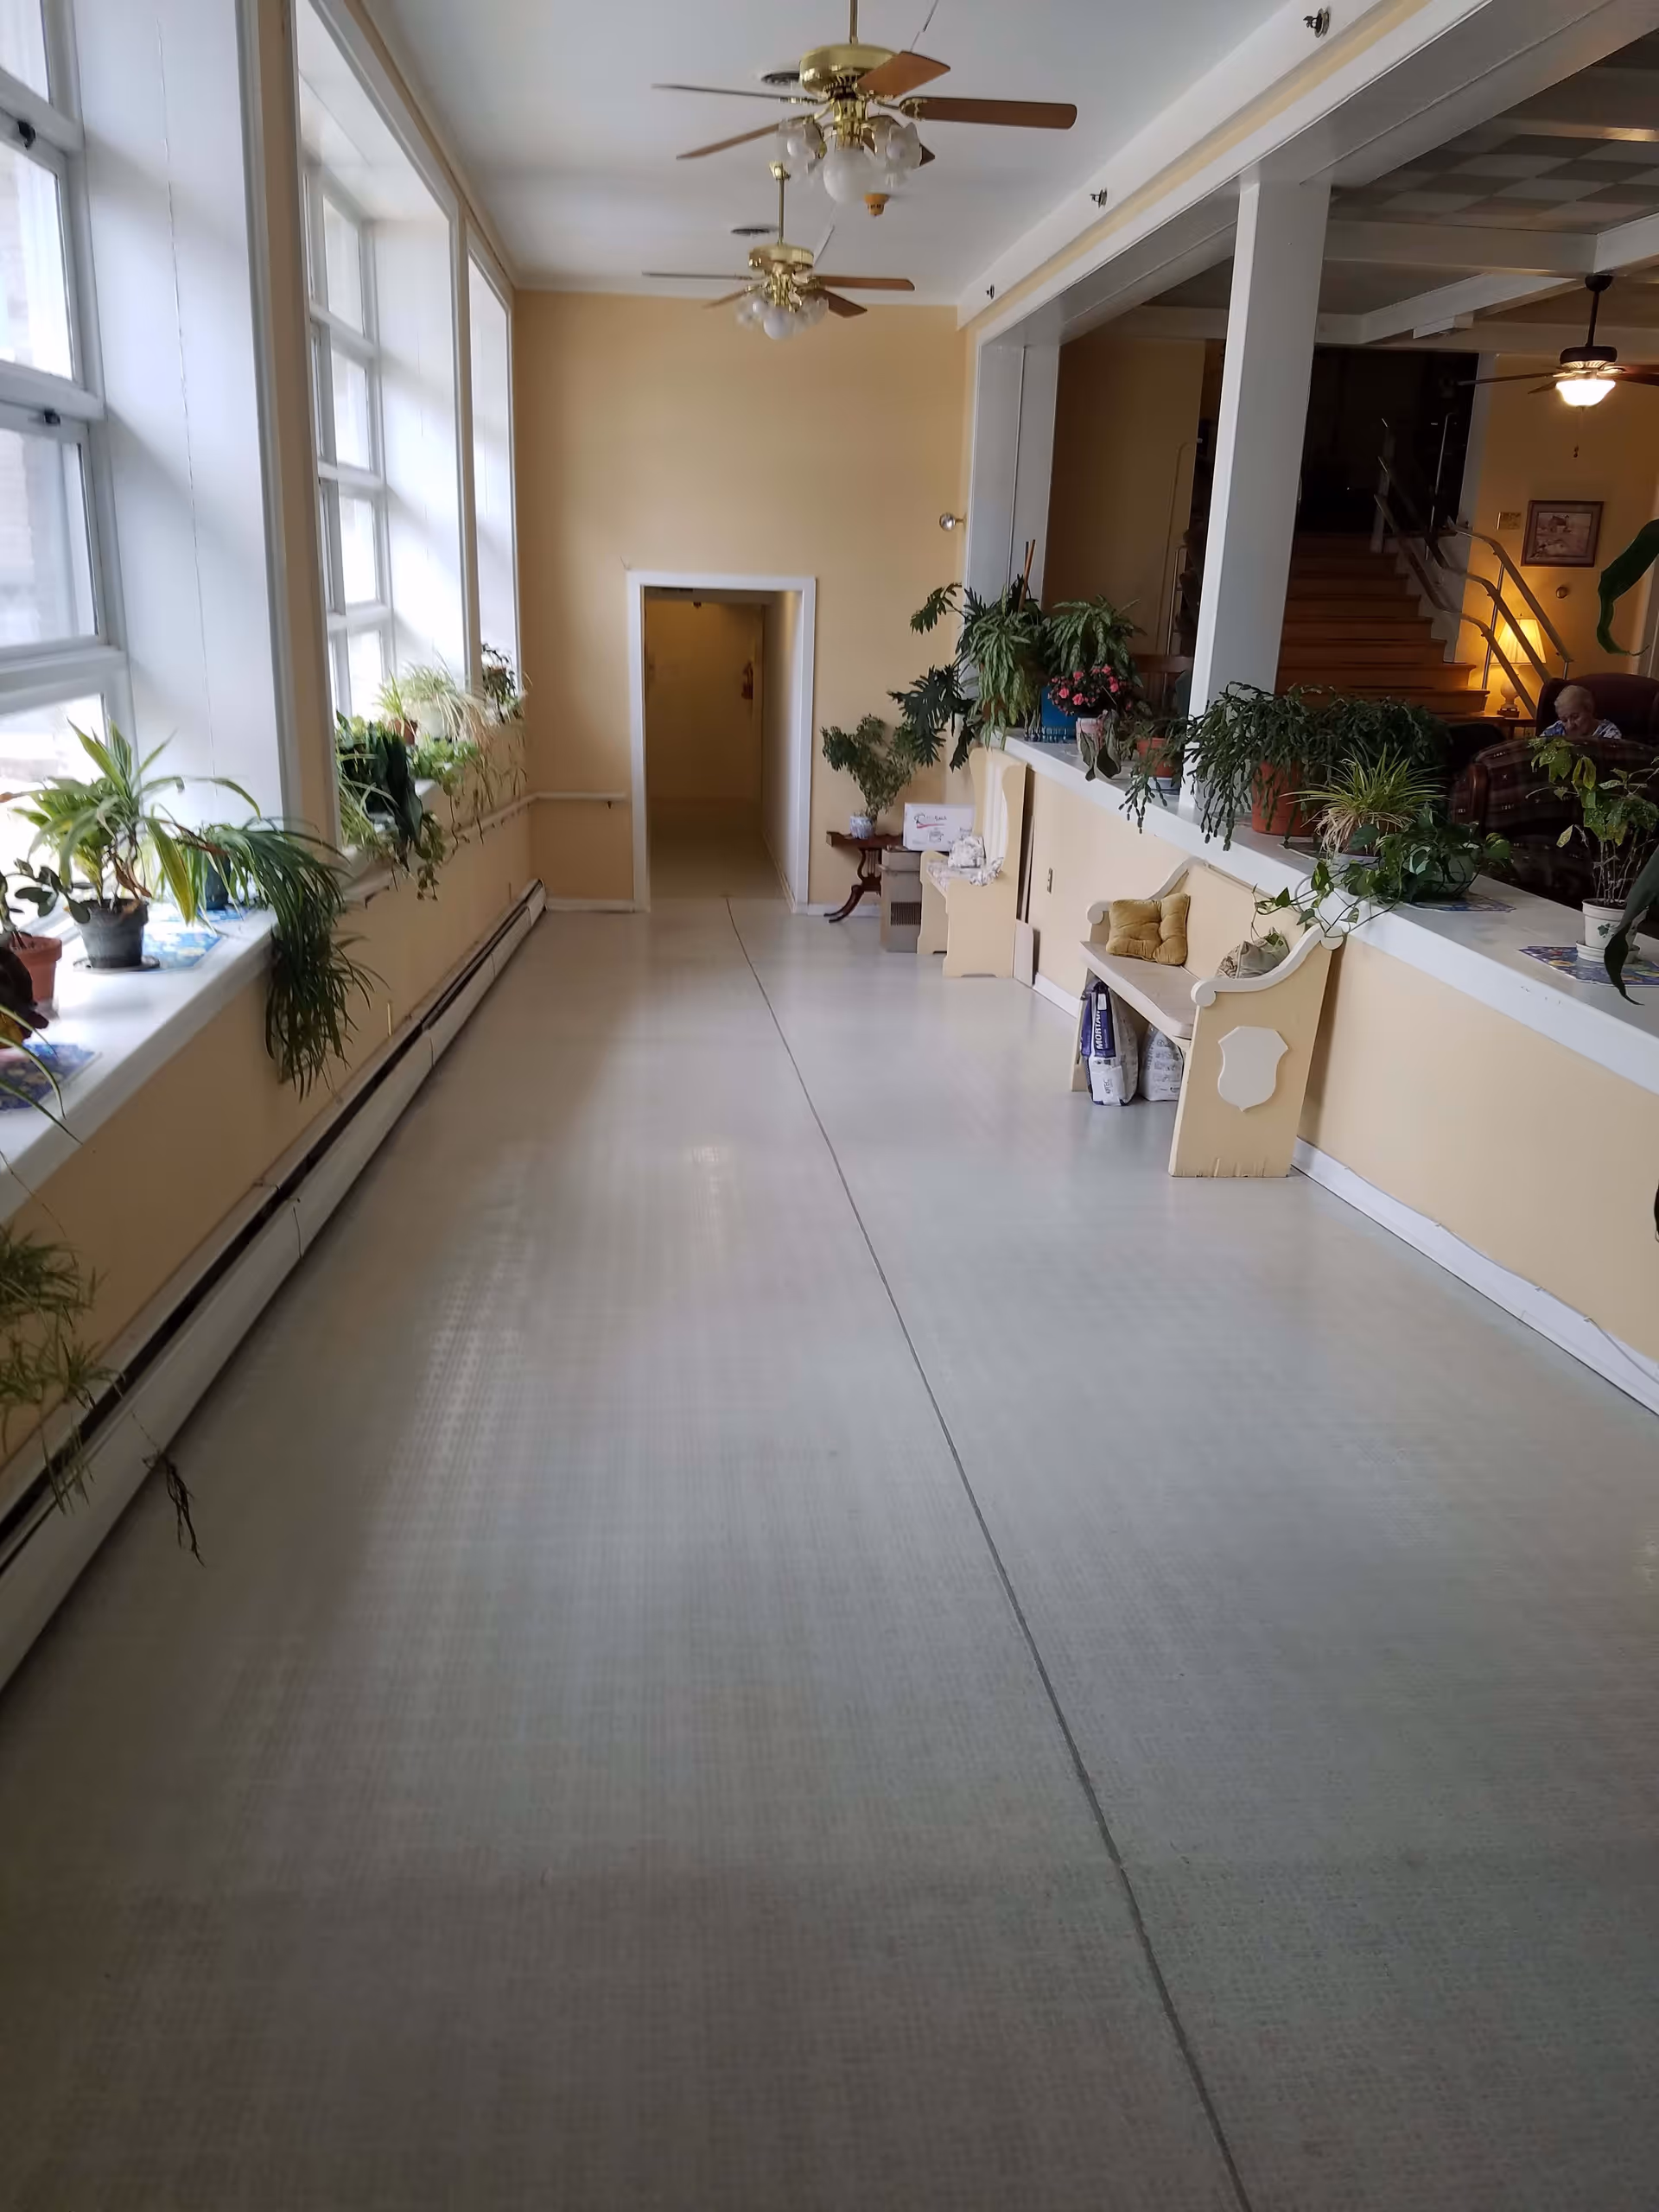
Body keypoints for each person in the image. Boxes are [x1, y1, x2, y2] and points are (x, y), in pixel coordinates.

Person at [1540, 683, 1621, 743]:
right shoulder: (1554, 731)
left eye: (1575, 717)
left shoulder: (1609, 734)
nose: (1570, 726)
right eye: (1564, 720)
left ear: (1589, 709)